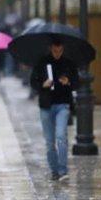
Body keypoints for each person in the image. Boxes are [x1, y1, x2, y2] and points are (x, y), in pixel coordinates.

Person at [29, 38, 78, 182]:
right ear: (51, 48)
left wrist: (68, 81)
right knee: (50, 142)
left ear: (63, 49)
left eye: (60, 51)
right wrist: (43, 84)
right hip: (46, 105)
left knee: (61, 136)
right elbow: (33, 81)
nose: (57, 53)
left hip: (63, 104)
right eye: (55, 51)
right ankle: (54, 170)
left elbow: (77, 82)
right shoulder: (42, 62)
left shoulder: (69, 64)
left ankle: (63, 170)